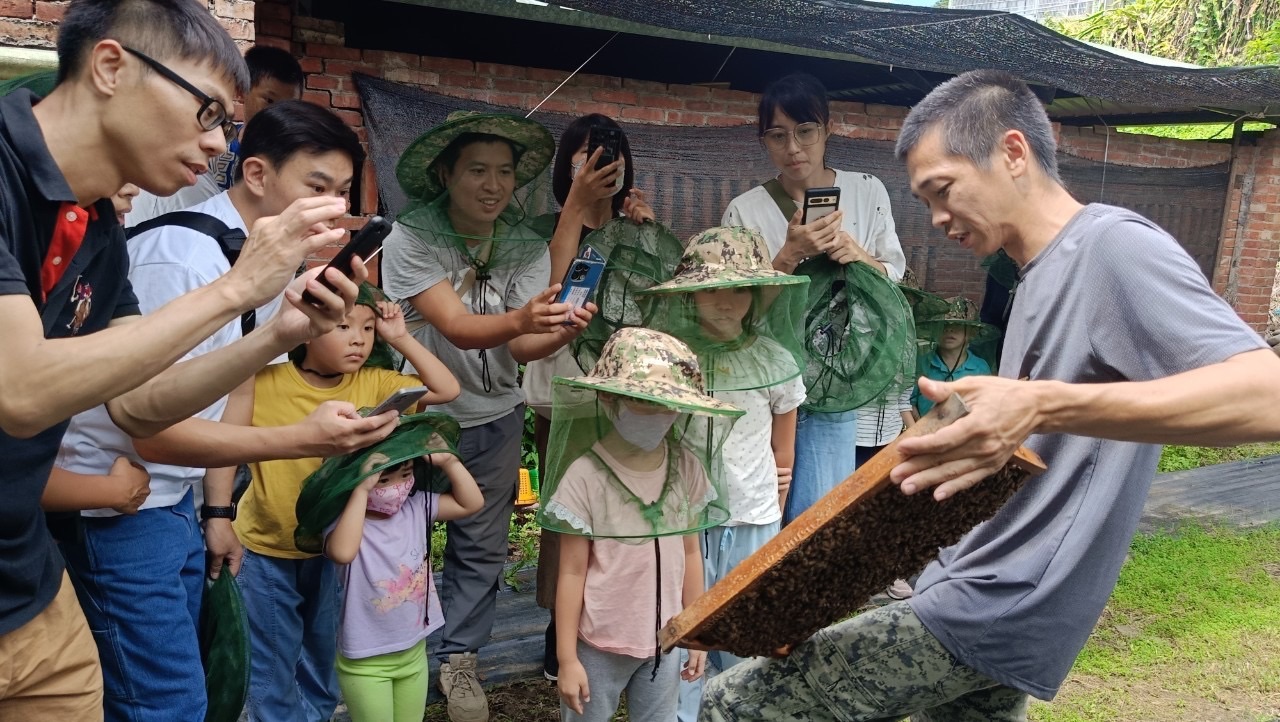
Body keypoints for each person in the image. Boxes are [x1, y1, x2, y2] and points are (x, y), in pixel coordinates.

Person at [700, 69, 1280, 721]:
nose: (939, 219)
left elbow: (1266, 396)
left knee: (732, 704)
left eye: (943, 191)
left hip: (997, 603)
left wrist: (1042, 404)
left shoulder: (1112, 247)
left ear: (1011, 153)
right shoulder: (1033, 276)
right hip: (980, 585)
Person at [0, 1, 359, 717]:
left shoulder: (97, 225)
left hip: (27, 583)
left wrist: (274, 332)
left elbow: (142, 403)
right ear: (111, 67)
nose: (217, 146)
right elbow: (20, 389)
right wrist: (237, 290)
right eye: (208, 116)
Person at [380, 111, 594, 722]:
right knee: (400, 537)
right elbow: (457, 326)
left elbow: (520, 348)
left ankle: (460, 659)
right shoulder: (411, 238)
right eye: (477, 169)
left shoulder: (524, 242)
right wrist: (526, 319)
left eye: (504, 171)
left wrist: (556, 331)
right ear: (445, 173)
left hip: (497, 414)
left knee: (482, 543)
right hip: (418, 417)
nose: (493, 184)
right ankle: (390, 653)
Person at [233, 287, 459, 722]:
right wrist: (218, 514)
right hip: (267, 545)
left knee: (322, 655)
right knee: (272, 661)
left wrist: (400, 337)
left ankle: (315, 715)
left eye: (368, 328)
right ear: (305, 331)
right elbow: (226, 449)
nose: (359, 339)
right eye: (342, 326)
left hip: (338, 554)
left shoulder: (376, 384)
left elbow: (446, 389)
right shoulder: (264, 383)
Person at [633, 226, 807, 720]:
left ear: (755, 294)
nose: (725, 301)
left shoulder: (775, 357)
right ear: (691, 293)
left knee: (749, 624)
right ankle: (684, 713)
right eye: (712, 288)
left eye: (737, 289)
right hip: (688, 517)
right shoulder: (673, 357)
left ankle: (745, 708)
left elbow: (783, 438)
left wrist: (782, 478)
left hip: (753, 513)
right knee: (687, 623)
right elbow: (656, 431)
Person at [722, 72, 908, 525]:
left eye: (806, 131)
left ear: (828, 129)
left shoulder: (868, 191)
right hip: (763, 383)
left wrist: (860, 257)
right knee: (759, 509)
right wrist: (788, 256)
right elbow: (727, 307)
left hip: (835, 382)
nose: (794, 148)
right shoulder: (746, 211)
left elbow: (895, 277)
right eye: (778, 135)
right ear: (763, 140)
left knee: (819, 513)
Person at [538, 327, 741, 722]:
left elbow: (689, 553)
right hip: (598, 646)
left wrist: (695, 630)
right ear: (610, 399)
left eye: (670, 405)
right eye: (647, 403)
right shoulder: (584, 477)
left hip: (664, 643)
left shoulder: (685, 467)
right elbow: (572, 570)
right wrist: (566, 659)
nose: (660, 415)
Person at [529, 112, 655, 684]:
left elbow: (656, 299)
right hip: (564, 390)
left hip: (623, 389)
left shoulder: (637, 227)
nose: (600, 167)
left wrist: (644, 231)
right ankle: (560, 632)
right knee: (565, 508)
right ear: (567, 167)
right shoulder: (546, 228)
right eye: (585, 158)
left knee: (620, 504)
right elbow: (552, 289)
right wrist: (576, 210)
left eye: (610, 155)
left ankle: (614, 623)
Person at [324, 441, 484, 722]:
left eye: (406, 473)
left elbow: (470, 502)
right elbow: (342, 552)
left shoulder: (416, 506)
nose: (396, 486)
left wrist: (450, 463)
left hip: (413, 653)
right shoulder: (344, 521)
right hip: (365, 663)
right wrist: (361, 488)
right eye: (383, 479)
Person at [125, 44, 304, 226]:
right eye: (269, 100)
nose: (278, 113)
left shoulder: (290, 160)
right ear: (243, 92)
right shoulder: (211, 141)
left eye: (289, 106)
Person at [912, 296, 997, 417]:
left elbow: (985, 407)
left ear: (971, 333)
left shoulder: (980, 368)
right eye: (944, 325)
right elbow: (909, 403)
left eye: (958, 325)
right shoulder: (922, 363)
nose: (950, 330)